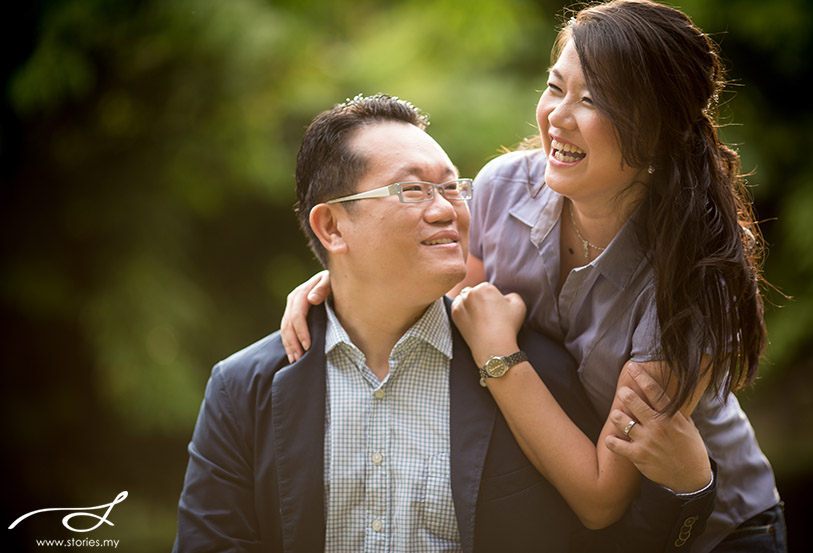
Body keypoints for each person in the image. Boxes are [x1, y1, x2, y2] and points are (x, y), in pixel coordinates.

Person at [279, 2, 786, 552]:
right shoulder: (502, 188)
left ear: (657, 131)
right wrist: (349, 287)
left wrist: (500, 357)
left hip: (713, 532)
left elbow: (600, 496)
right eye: (555, 87)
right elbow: (447, 302)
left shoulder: (689, 278)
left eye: (593, 100)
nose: (557, 117)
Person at [174, 93, 718, 553]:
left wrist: (690, 491)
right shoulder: (243, 389)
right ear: (332, 227)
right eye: (412, 189)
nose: (446, 210)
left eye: (453, 187)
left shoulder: (532, 369)